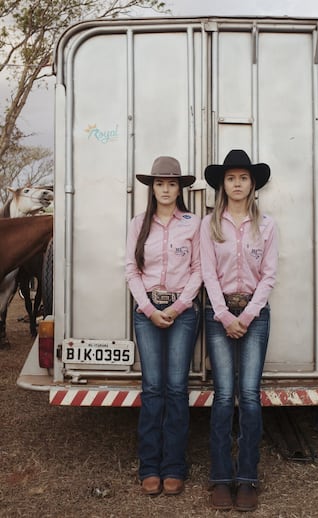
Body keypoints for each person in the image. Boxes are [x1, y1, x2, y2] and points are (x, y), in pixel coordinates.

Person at [200, 149, 278, 512]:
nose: (236, 184)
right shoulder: (209, 225)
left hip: (255, 315)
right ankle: (220, 477)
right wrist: (222, 314)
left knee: (248, 395)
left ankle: (246, 477)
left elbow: (269, 277)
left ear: (252, 184)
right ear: (223, 184)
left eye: (243, 178)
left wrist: (245, 317)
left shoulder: (268, 226)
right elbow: (208, 274)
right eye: (230, 178)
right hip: (219, 315)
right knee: (223, 394)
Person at [125, 156, 202, 496]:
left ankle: (173, 466)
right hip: (147, 313)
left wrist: (178, 306)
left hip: (182, 312)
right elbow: (131, 270)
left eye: (172, 183)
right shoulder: (139, 223)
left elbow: (199, 270)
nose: (166, 189)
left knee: (175, 388)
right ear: (152, 188)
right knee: (153, 388)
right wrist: (148, 309)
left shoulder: (193, 223)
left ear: (180, 188)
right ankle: (149, 466)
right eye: (160, 183)